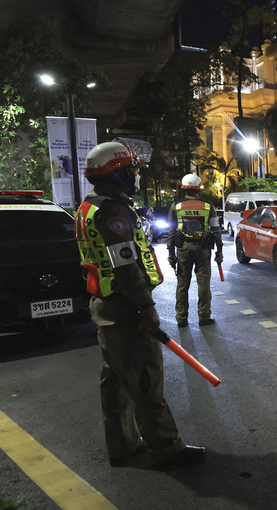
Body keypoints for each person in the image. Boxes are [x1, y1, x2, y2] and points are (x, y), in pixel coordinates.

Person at [74, 141, 205, 471]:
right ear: (116, 173)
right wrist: (146, 307)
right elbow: (125, 265)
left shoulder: (90, 205)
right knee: (146, 381)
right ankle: (167, 449)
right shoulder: (113, 212)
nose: (136, 176)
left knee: (115, 381)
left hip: (106, 305)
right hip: (126, 307)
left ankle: (123, 445)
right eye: (131, 170)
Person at [167, 174, 223, 328]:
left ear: (183, 188)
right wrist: (219, 250)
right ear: (199, 188)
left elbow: (171, 231)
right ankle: (204, 316)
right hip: (203, 249)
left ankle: (181, 318)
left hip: (183, 249)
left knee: (182, 283)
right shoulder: (207, 206)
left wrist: (170, 253)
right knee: (203, 283)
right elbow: (216, 229)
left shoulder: (175, 206)